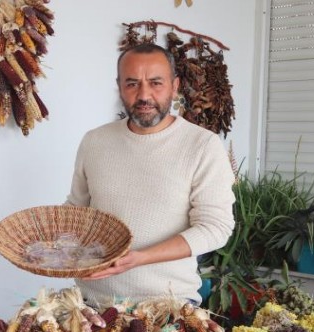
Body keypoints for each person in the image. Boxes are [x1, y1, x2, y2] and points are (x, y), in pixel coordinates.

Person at [66, 43, 235, 306]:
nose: (144, 95)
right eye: (132, 83)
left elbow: (215, 228)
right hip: (93, 303)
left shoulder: (202, 145)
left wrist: (140, 257)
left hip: (168, 305)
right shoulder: (94, 141)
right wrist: (53, 250)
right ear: (120, 86)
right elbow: (75, 212)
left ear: (175, 85)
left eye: (156, 83)